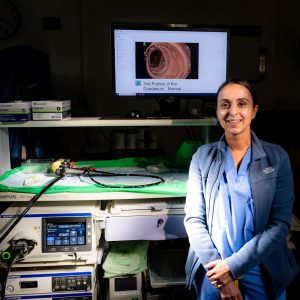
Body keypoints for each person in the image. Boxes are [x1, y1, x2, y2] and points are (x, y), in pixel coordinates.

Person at [184, 79, 299, 300]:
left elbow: (280, 224)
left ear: (254, 111)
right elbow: (194, 220)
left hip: (260, 266)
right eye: (225, 104)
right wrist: (221, 275)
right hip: (213, 267)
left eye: (242, 103)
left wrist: (233, 267)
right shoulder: (202, 157)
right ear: (217, 111)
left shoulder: (277, 158)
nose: (233, 111)